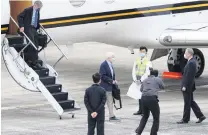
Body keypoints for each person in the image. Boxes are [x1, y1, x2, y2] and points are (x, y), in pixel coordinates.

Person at [177, 48, 206, 124]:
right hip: (189, 86)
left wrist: (185, 86)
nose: (184, 55)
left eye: (185, 53)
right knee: (191, 102)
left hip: (188, 86)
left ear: (189, 54)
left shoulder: (191, 63)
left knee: (187, 103)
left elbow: (189, 76)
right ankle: (200, 116)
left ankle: (185, 119)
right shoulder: (191, 62)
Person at [135, 70, 164, 135]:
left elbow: (141, 90)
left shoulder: (145, 80)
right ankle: (153, 133)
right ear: (156, 75)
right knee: (156, 118)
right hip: (152, 98)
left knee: (145, 116)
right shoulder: (157, 79)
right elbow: (163, 86)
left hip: (143, 98)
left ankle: (138, 132)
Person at [17, 0, 44, 69]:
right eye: (38, 7)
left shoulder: (37, 12)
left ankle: (33, 61)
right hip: (28, 28)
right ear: (35, 5)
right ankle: (33, 61)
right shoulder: (28, 10)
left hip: (34, 29)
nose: (39, 9)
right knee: (32, 44)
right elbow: (19, 16)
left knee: (36, 45)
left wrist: (39, 26)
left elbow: (36, 21)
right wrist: (21, 26)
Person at [99, 52, 119, 121]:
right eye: (113, 57)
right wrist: (111, 81)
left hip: (110, 87)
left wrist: (114, 80)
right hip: (105, 87)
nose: (114, 58)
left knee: (110, 101)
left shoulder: (110, 65)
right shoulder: (103, 65)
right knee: (105, 102)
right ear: (108, 58)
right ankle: (109, 116)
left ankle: (111, 115)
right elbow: (103, 76)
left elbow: (111, 75)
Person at [132, 46, 152, 115]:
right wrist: (135, 80)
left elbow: (147, 73)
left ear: (146, 53)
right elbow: (134, 71)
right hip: (137, 80)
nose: (142, 53)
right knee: (139, 96)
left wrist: (141, 80)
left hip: (144, 81)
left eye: (143, 52)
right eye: (141, 51)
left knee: (143, 97)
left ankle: (144, 111)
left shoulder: (148, 62)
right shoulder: (136, 60)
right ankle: (140, 110)